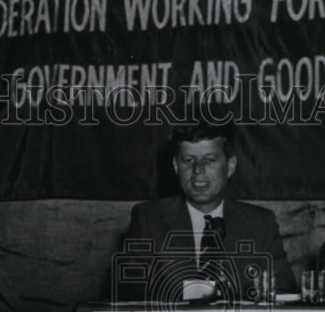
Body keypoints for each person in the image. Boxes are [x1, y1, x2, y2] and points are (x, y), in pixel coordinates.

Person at [116, 124, 296, 302]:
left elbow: (282, 292)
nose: (198, 170)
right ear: (175, 166)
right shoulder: (148, 219)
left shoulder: (261, 224)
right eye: (188, 160)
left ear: (231, 166)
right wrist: (199, 294)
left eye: (209, 160)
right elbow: (129, 291)